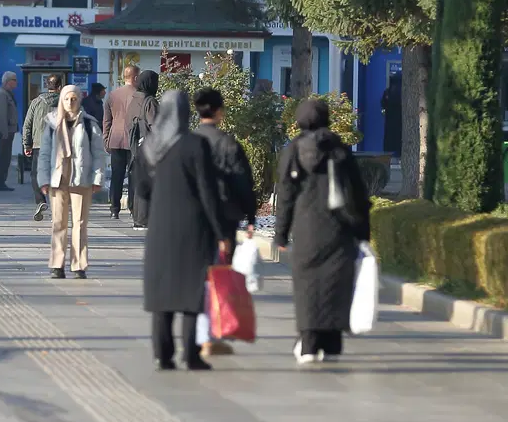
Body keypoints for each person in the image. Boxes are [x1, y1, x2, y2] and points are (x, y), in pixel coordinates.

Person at [274, 98, 371, 365]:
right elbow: (358, 194)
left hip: (306, 230)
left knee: (307, 286)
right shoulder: (340, 149)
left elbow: (285, 194)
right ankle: (332, 345)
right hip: (339, 229)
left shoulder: (293, 151)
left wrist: (281, 233)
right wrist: (364, 232)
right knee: (335, 284)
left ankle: (308, 344)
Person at [138, 90, 230, 372]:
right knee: (190, 292)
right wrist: (221, 231)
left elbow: (141, 189)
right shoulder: (195, 145)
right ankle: (190, 354)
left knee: (162, 294)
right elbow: (207, 191)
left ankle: (162, 355)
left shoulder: (149, 147)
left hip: (160, 227)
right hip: (192, 227)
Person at [193, 87, 259, 357]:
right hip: (225, 216)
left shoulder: (188, 141)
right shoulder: (228, 143)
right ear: (219, 111)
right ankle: (212, 331)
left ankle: (199, 332)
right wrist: (251, 214)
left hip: (195, 217)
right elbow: (243, 181)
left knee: (199, 275)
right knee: (219, 273)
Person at [37, 85, 106, 280]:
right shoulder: (51, 124)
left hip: (81, 180)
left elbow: (99, 154)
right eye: (67, 99)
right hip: (57, 180)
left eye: (74, 99)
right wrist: (43, 180)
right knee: (58, 222)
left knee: (80, 223)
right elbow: (43, 155)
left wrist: (97, 178)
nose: (70, 103)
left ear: (79, 100)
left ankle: (78, 265)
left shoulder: (90, 124)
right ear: (61, 100)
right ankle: (57, 265)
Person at [23, 74, 63, 222]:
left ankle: (41, 201)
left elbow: (27, 124)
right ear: (60, 87)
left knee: (36, 174)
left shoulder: (36, 102)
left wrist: (27, 144)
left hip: (40, 144)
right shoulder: (66, 102)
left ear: (47, 86)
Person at [103, 65, 140, 221]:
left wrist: (106, 139)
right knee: (134, 176)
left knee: (117, 176)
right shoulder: (139, 96)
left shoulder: (112, 95)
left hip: (116, 139)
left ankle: (114, 209)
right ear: (136, 77)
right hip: (133, 140)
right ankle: (132, 207)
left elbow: (106, 120)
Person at [126, 70, 161, 230]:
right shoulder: (150, 101)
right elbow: (156, 126)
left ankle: (137, 217)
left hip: (135, 148)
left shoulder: (133, 101)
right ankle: (144, 219)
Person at [0, 71, 20, 192]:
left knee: (6, 157)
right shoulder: (2, 95)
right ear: (8, 81)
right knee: (4, 157)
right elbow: (1, 115)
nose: (16, 82)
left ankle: (1, 181)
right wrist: (4, 132)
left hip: (9, 130)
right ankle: (0, 182)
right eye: (14, 80)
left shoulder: (8, 94)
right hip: (6, 131)